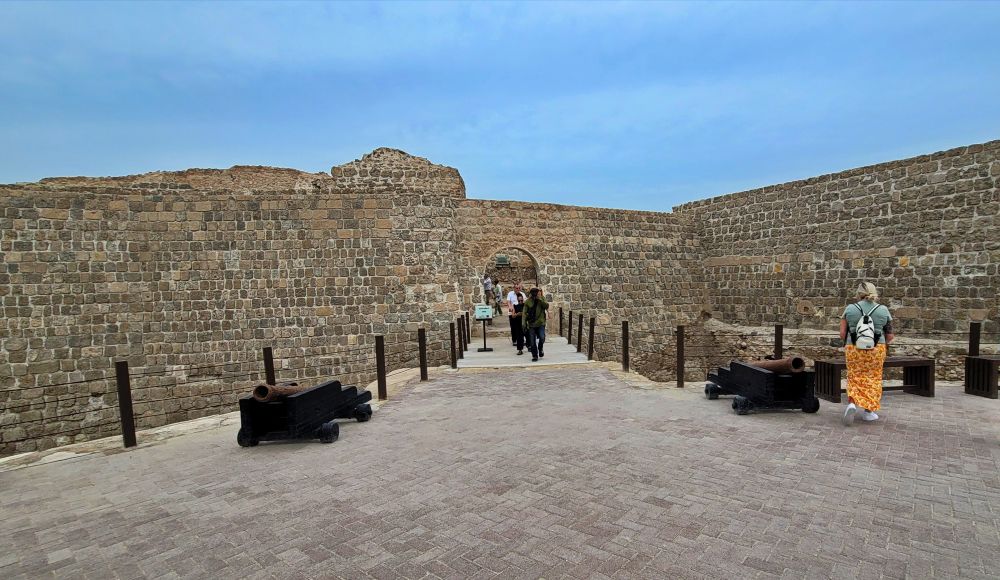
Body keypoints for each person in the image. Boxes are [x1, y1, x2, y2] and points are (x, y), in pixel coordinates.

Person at [839, 282, 894, 425]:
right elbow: (890, 336)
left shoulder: (850, 309)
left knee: (854, 376)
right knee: (873, 378)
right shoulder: (883, 310)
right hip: (876, 348)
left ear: (859, 294)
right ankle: (868, 412)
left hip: (854, 348)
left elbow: (842, 333)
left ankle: (852, 403)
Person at [522, 287, 549, 362]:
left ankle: (540, 348)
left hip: (541, 323)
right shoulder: (528, 302)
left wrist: (539, 299)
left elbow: (546, 306)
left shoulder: (542, 299)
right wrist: (523, 324)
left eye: (536, 292)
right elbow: (524, 313)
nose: (535, 294)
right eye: (533, 293)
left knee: (542, 337)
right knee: (532, 341)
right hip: (532, 324)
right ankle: (534, 355)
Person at [507, 282, 524, 351]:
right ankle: (514, 340)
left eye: (519, 288)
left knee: (521, 328)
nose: (518, 289)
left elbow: (525, 301)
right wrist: (510, 307)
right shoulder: (510, 294)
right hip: (513, 312)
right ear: (514, 288)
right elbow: (508, 302)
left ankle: (520, 340)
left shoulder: (522, 294)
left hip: (521, 313)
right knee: (513, 327)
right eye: (516, 288)